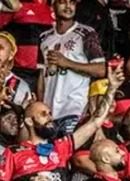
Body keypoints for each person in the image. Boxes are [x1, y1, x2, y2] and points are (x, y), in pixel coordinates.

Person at [36, 0, 106, 134]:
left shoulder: (86, 33)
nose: (68, 6)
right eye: (63, 2)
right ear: (52, 5)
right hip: (49, 112)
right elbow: (41, 75)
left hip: (75, 109)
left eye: (72, 2)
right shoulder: (44, 37)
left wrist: (67, 63)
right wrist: (40, 104)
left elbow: (101, 69)